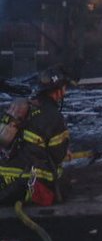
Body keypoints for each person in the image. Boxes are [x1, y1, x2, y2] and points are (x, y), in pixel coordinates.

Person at [0, 67, 73, 206]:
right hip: (28, 180)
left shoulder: (23, 107)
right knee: (64, 184)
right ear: (59, 91)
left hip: (4, 176)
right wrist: (64, 150)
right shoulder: (54, 116)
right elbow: (57, 155)